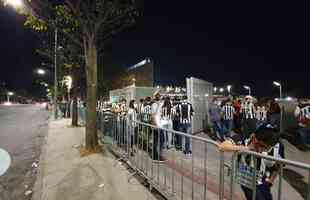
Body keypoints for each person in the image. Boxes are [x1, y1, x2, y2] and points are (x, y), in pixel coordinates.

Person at [218, 123, 285, 200]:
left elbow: (279, 165)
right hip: (247, 179)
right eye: (259, 145)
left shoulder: (278, 146)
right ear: (253, 136)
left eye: (265, 148)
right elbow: (222, 146)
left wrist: (271, 181)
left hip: (264, 182)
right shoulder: (243, 138)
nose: (259, 150)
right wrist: (247, 148)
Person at [151, 92, 165, 161]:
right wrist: (155, 124)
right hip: (157, 125)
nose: (161, 98)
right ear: (158, 98)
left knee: (157, 140)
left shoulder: (160, 104)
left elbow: (159, 114)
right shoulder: (154, 105)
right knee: (160, 140)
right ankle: (157, 156)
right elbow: (153, 115)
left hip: (159, 124)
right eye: (160, 97)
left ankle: (156, 155)